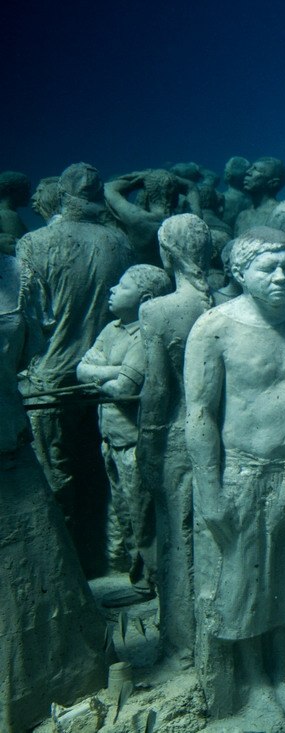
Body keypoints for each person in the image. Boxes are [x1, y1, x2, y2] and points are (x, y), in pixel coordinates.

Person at [186, 228, 285, 727]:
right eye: (267, 268)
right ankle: (254, 682)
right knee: (245, 584)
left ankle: (281, 675)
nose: (280, 277)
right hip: (243, 475)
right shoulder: (214, 328)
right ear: (239, 273)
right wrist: (208, 489)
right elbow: (201, 415)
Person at [0, 251, 106, 732]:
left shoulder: (17, 273)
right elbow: (28, 350)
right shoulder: (14, 275)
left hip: (13, 454)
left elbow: (31, 350)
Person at [17, 162, 133, 575]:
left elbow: (33, 318)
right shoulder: (118, 242)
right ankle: (109, 564)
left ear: (63, 195)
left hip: (53, 375)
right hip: (106, 373)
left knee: (58, 479)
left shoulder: (34, 243)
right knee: (105, 477)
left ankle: (68, 574)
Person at [137, 213, 214, 665]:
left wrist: (148, 447)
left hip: (178, 440)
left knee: (177, 541)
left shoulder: (158, 311)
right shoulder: (228, 303)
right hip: (223, 438)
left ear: (167, 254)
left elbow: (158, 391)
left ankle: (182, 644)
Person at [77, 264, 172, 600]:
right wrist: (114, 372)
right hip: (111, 438)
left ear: (145, 298)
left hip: (134, 441)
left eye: (123, 285)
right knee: (125, 510)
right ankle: (139, 572)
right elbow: (81, 368)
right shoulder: (111, 329)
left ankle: (153, 579)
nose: (113, 290)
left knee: (143, 514)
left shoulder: (145, 334)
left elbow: (124, 390)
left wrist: (102, 377)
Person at [234, 157, 285, 235]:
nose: (248, 172)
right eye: (251, 168)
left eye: (256, 169)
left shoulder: (281, 215)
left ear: (273, 183)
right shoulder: (242, 216)